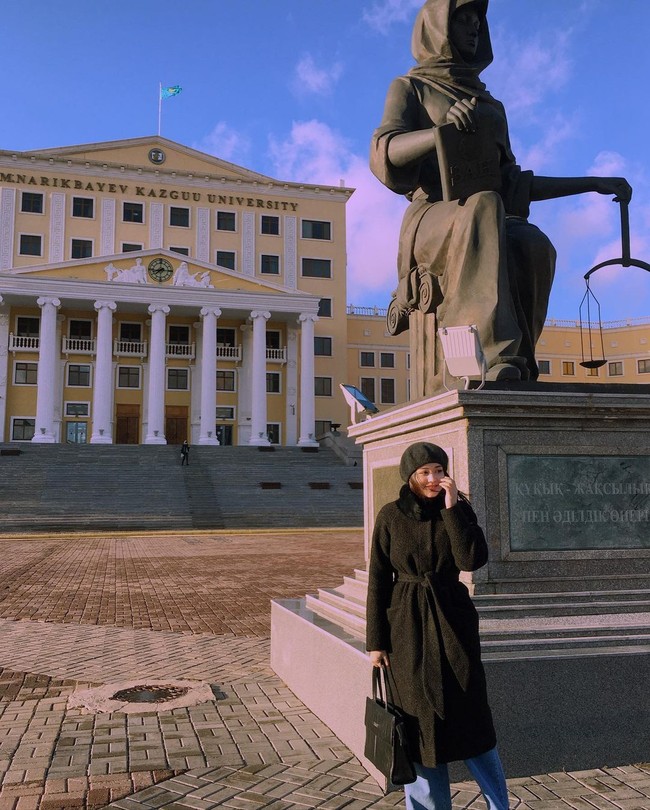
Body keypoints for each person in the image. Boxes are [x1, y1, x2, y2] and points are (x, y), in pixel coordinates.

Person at [370, 0, 631, 382]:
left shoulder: (490, 105)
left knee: (531, 241)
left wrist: (592, 183)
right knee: (485, 206)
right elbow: (385, 151)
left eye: (479, 19)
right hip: (431, 217)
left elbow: (511, 182)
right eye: (463, 18)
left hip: (484, 211)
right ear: (437, 26)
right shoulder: (412, 87)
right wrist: (437, 135)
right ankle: (487, 358)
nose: (475, 27)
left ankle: (518, 363)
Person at [366, 441, 509, 809]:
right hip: (407, 630)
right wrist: (376, 642)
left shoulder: (459, 510)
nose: (433, 479)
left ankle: (499, 803)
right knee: (418, 729)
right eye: (425, 472)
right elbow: (379, 579)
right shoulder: (390, 516)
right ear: (411, 476)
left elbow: (471, 559)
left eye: (439, 471)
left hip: (453, 622)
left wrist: (451, 510)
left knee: (474, 721)